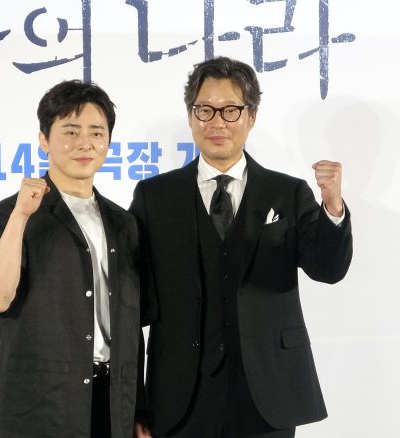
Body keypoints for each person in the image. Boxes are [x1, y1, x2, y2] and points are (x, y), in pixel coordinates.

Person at [130, 57, 353, 437]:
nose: (217, 122)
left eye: (231, 110)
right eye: (205, 110)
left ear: (251, 116)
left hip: (267, 392)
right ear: (190, 116)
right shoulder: (154, 196)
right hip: (179, 395)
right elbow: (130, 301)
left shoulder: (287, 192)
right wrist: (136, 402)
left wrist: (332, 207)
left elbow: (328, 270)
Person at [0, 80, 144, 438]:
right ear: (44, 140)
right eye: (71, 131)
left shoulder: (122, 223)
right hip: (39, 405)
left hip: (111, 404)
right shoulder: (8, 216)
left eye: (97, 132)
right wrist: (21, 216)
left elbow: (132, 326)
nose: (85, 143)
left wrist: (138, 408)